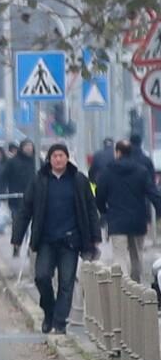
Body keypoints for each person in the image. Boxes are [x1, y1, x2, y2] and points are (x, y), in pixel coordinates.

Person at [12, 142, 101, 335]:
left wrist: (95, 237)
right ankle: (49, 311)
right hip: (46, 240)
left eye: (61, 155)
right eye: (55, 156)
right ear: (49, 159)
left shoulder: (79, 180)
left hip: (71, 241)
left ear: (67, 158)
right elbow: (26, 209)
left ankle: (60, 322)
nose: (58, 159)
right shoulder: (39, 180)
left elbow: (90, 210)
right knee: (41, 277)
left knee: (66, 283)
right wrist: (17, 237)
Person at [96, 140, 161, 283]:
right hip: (138, 220)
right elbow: (153, 193)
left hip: (117, 220)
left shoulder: (107, 172)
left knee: (120, 256)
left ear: (117, 152)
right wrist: (158, 212)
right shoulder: (141, 171)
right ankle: (136, 284)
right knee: (136, 256)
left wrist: (104, 212)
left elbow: (100, 195)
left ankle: (124, 287)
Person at [3, 139, 38, 224]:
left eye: (30, 146)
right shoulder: (12, 162)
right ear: (22, 148)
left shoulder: (37, 161)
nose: (28, 148)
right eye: (26, 146)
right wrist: (3, 190)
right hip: (17, 199)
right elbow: (4, 177)